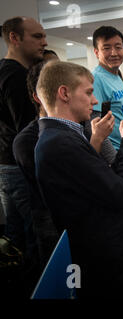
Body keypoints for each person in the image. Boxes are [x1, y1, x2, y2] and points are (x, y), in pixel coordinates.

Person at [34, 61, 123, 298]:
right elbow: (121, 193)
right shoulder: (60, 143)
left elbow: (102, 182)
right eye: (88, 93)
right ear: (64, 93)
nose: (95, 100)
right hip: (101, 261)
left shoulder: (66, 136)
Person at [0, 17, 47, 283]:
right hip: (19, 170)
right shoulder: (17, 76)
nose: (44, 42)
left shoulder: (5, 71)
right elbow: (26, 135)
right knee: (35, 242)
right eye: (37, 37)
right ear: (14, 39)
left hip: (7, 168)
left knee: (16, 241)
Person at [91, 25, 123, 150]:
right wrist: (113, 158)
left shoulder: (117, 76)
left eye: (118, 47)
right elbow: (94, 125)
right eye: (106, 48)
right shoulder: (96, 79)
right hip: (115, 152)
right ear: (96, 52)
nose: (114, 53)